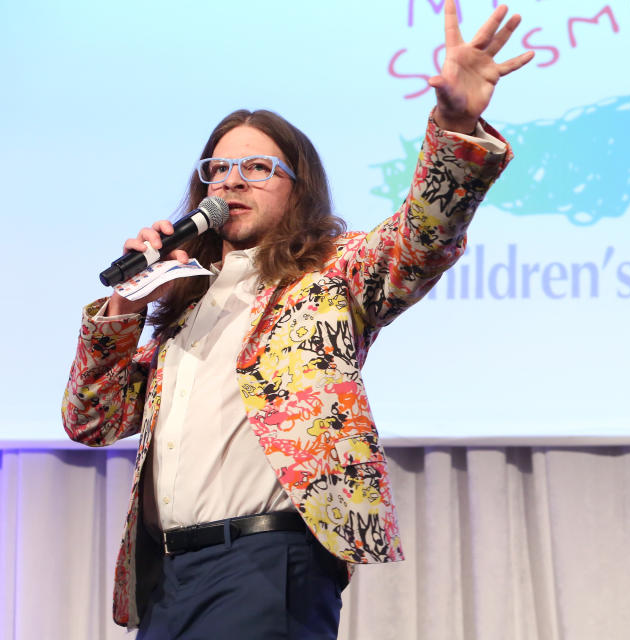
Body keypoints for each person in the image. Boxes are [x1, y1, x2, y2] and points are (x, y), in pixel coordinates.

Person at [61, 2, 533, 637]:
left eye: (258, 168)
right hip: (168, 578)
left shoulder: (331, 275)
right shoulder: (182, 302)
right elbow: (90, 422)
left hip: (265, 563)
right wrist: (127, 304)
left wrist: (454, 123)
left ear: (297, 186)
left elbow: (424, 234)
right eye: (218, 170)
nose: (233, 182)